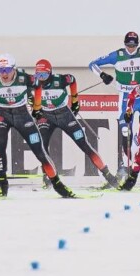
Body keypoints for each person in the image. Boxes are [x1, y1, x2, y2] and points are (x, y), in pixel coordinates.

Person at [0, 54, 76, 198]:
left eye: (8, 70)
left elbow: (38, 86)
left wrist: (36, 108)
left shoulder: (24, 77)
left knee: (39, 150)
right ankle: (2, 183)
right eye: (1, 70)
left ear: (14, 69)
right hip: (1, 114)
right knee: (1, 144)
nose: (4, 74)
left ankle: (57, 184)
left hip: (21, 114)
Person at [88, 32, 140, 184]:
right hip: (125, 97)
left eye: (134, 46)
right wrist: (103, 75)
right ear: (124, 44)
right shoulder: (117, 55)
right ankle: (124, 167)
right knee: (125, 131)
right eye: (128, 45)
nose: (131, 49)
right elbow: (92, 64)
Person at [32, 59, 120, 189]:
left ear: (50, 73)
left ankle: (109, 177)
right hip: (46, 116)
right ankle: (48, 179)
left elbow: (72, 80)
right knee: (42, 146)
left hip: (65, 115)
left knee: (84, 144)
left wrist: (75, 101)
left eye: (44, 75)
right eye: (39, 76)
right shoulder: (33, 82)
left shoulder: (60, 80)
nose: (42, 79)